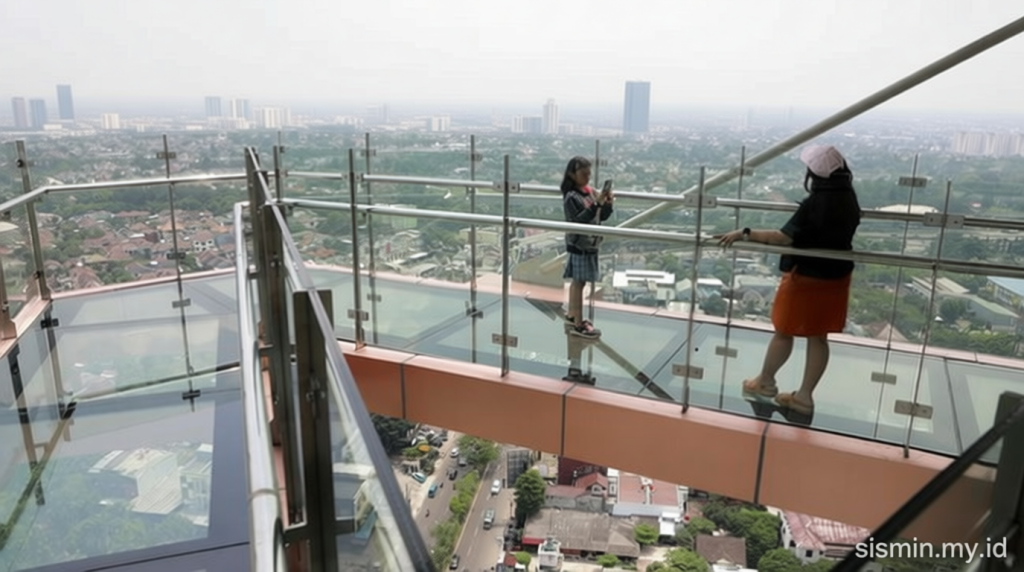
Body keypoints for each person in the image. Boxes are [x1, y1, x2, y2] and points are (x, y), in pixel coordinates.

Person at [717, 145, 861, 414]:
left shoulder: (814, 203)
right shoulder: (850, 199)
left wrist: (744, 233)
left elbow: (782, 237)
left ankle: (765, 382)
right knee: (819, 337)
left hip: (805, 276)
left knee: (784, 332)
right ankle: (804, 397)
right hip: (837, 276)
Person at [561, 156, 613, 339]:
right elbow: (579, 220)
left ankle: (572, 315)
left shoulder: (590, 192)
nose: (587, 178)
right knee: (579, 282)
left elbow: (601, 216)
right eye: (584, 174)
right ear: (572, 175)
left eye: (589, 174)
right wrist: (596, 203)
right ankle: (578, 323)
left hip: (590, 242)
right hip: (579, 243)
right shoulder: (572, 197)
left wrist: (607, 204)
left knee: (578, 281)